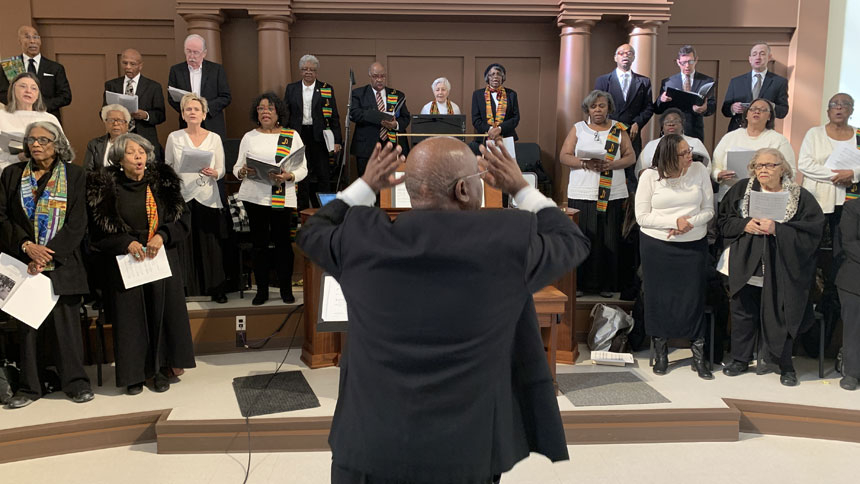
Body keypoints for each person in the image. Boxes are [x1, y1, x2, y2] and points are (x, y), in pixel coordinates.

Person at [297, 137, 589, 483]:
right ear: (464, 190)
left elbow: (313, 231)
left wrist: (365, 184)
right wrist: (520, 187)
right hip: (466, 455)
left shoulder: (362, 239)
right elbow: (573, 241)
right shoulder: (506, 242)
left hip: (369, 448)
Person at [86, 133, 195, 394]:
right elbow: (97, 232)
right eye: (131, 152)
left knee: (162, 313)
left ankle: (159, 369)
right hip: (126, 259)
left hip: (160, 255)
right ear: (118, 159)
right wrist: (125, 242)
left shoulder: (163, 182)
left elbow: (182, 220)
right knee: (131, 319)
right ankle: (134, 374)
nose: (138, 157)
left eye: (142, 152)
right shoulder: (105, 186)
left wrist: (162, 235)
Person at [0, 121, 93, 408]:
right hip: (24, 262)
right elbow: (3, 218)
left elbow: (78, 223)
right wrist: (27, 247)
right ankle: (30, 388)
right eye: (31, 140)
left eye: (42, 139)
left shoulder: (76, 175)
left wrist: (48, 254)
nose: (36, 144)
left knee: (67, 328)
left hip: (63, 261)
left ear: (57, 144)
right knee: (28, 330)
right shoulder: (12, 174)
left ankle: (75, 384)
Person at [717, 148, 824, 386]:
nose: (763, 170)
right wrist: (745, 225)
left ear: (783, 168)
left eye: (770, 165)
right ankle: (740, 359)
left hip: (781, 266)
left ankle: (783, 364)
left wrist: (778, 229)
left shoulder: (799, 196)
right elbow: (723, 221)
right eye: (759, 165)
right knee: (743, 311)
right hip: (746, 261)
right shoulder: (741, 190)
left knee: (782, 313)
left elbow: (813, 232)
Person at [635, 134, 714, 379]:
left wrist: (688, 223)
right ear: (669, 156)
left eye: (689, 151)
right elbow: (642, 217)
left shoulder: (699, 170)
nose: (689, 156)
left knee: (692, 297)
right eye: (683, 153)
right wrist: (673, 221)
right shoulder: (650, 176)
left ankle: (698, 354)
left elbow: (709, 210)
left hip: (693, 244)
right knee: (659, 298)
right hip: (657, 245)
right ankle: (661, 352)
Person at [559, 89, 635, 297]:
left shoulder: (619, 129)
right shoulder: (578, 129)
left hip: (611, 192)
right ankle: (581, 285)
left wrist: (613, 164)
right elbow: (564, 156)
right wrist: (585, 163)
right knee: (584, 236)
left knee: (608, 238)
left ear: (609, 108)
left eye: (602, 105)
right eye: (593, 106)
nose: (598, 110)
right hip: (583, 191)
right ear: (587, 109)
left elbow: (631, 157)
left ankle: (606, 285)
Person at [233, 93, 307, 305]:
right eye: (261, 108)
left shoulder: (291, 135)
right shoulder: (249, 137)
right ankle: (262, 290)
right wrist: (243, 172)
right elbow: (237, 167)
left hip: (281, 197)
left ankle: (285, 289)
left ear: (278, 113)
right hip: (254, 197)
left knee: (283, 244)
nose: (265, 112)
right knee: (259, 245)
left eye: (270, 108)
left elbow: (303, 168)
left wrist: (289, 176)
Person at [798, 93, 858, 355]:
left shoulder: (858, 134)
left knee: (840, 259)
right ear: (827, 110)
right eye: (834, 105)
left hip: (849, 203)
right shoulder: (814, 134)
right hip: (818, 202)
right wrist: (836, 176)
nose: (839, 109)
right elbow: (804, 164)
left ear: (852, 110)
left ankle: (832, 318)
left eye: (845, 105)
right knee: (809, 258)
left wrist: (853, 174)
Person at [164, 93, 227, 303]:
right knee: (184, 244)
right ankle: (184, 288)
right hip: (183, 196)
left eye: (196, 109)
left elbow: (222, 169)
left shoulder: (214, 138)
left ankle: (216, 288)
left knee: (211, 244)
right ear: (182, 114)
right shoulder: (174, 137)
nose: (192, 112)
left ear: (204, 114)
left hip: (208, 196)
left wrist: (214, 173)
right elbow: (168, 167)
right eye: (188, 109)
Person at [284, 54, 343, 210]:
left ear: (316, 72)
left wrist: (337, 140)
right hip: (299, 135)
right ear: (300, 71)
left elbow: (335, 116)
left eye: (311, 69)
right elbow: (285, 114)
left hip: (320, 137)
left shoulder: (326, 88)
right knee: (301, 173)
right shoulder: (292, 88)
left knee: (323, 174)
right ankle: (303, 210)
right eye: (305, 69)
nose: (308, 72)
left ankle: (326, 210)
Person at [712, 98, 795, 202]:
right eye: (753, 109)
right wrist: (718, 175)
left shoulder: (778, 140)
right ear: (746, 114)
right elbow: (714, 166)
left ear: (769, 116)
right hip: (729, 196)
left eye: (763, 110)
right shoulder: (730, 137)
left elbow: (791, 172)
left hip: (763, 198)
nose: (757, 111)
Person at [594, 44, 654, 158]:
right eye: (621, 53)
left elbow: (649, 107)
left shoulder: (644, 81)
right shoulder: (603, 80)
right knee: (608, 170)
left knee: (631, 171)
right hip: (608, 132)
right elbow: (597, 107)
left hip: (632, 133)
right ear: (615, 57)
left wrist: (638, 123)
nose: (625, 55)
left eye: (629, 53)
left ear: (633, 57)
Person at [350, 62, 410, 177]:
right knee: (367, 185)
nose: (379, 79)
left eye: (382, 76)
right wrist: (377, 118)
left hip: (392, 146)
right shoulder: (358, 93)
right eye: (375, 76)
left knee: (391, 186)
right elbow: (354, 114)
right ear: (370, 76)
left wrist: (395, 124)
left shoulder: (397, 95)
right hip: (366, 147)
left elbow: (405, 117)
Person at [0, 26, 72, 120]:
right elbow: (2, 93)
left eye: (35, 37)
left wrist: (39, 106)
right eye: (27, 37)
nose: (32, 41)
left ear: (40, 41)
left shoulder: (55, 68)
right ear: (19, 41)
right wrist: (21, 106)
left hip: (47, 119)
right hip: (17, 119)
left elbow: (65, 96)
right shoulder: (9, 66)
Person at [103, 48, 166, 156]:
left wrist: (145, 115)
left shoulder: (153, 87)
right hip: (118, 136)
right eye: (125, 63)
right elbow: (102, 112)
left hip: (144, 136)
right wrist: (114, 115)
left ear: (140, 65)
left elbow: (161, 115)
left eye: (132, 64)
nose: (128, 67)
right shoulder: (112, 85)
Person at [167, 34, 231, 139]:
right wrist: (188, 112)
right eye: (188, 51)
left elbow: (226, 97)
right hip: (187, 124)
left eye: (196, 52)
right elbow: (171, 97)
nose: (191, 56)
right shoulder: (176, 70)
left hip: (212, 122)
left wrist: (203, 109)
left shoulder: (216, 70)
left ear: (204, 53)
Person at [0, 72, 64, 172]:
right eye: (23, 86)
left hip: (44, 173)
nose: (28, 91)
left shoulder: (49, 118)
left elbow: (65, 151)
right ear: (13, 89)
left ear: (38, 95)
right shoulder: (2, 116)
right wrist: (17, 158)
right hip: (8, 173)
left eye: (34, 88)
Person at [721, 43, 789, 132]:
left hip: (764, 132)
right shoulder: (736, 82)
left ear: (769, 57)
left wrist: (770, 106)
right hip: (738, 130)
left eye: (762, 54)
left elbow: (783, 111)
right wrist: (733, 108)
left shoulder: (779, 82)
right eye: (754, 54)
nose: (758, 57)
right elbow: (725, 110)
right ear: (750, 59)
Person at [654, 45, 716, 142]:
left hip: (694, 131)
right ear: (678, 62)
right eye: (683, 62)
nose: (687, 66)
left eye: (690, 61)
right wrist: (661, 100)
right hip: (672, 132)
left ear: (696, 60)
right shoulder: (668, 82)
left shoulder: (706, 81)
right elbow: (657, 109)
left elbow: (712, 106)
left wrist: (704, 108)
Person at [635, 108, 710, 176]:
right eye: (667, 122)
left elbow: (707, 168)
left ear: (682, 125)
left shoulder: (695, 143)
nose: (671, 124)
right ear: (662, 127)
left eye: (676, 121)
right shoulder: (651, 145)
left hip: (689, 185)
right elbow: (639, 170)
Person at [835, 198, 860, 390]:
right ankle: (852, 372)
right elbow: (849, 243)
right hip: (855, 275)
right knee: (854, 326)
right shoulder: (853, 207)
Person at [471, 63, 520, 145]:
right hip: (484, 138)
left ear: (502, 78)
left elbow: (515, 118)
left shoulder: (511, 94)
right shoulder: (478, 94)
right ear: (487, 77)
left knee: (505, 158)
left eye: (499, 74)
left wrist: (500, 129)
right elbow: (476, 119)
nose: (495, 76)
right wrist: (491, 130)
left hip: (506, 138)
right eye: (492, 74)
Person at [83, 104, 130, 171]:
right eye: (111, 120)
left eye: (119, 120)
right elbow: (87, 171)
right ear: (105, 123)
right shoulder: (94, 144)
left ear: (126, 124)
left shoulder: (136, 143)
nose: (115, 124)